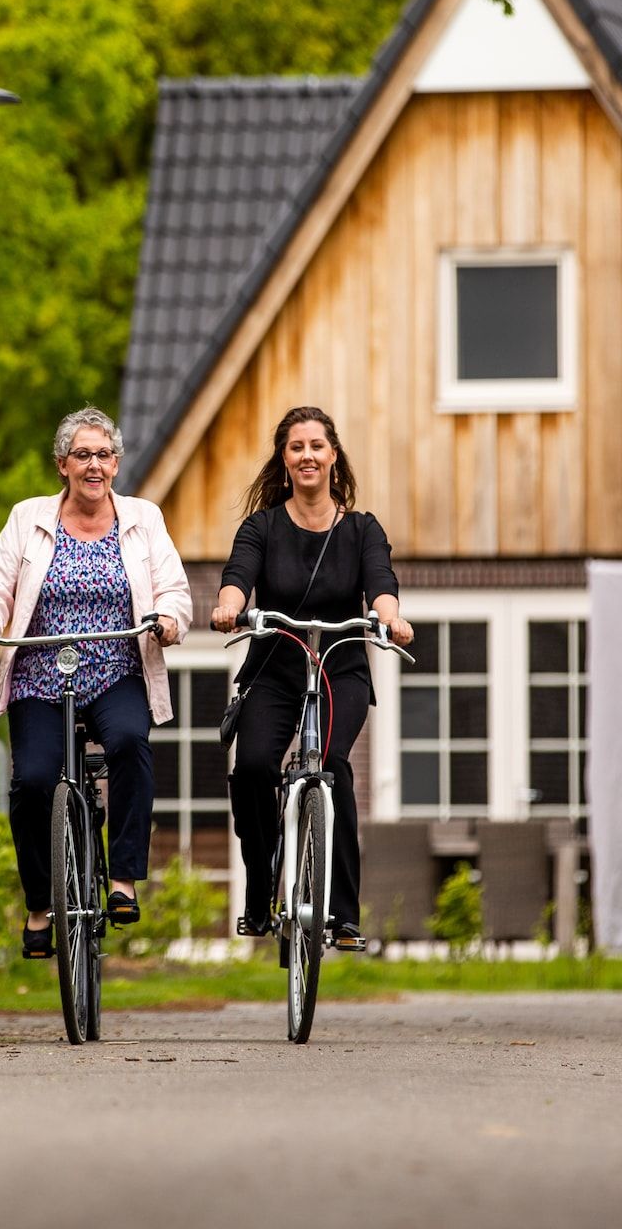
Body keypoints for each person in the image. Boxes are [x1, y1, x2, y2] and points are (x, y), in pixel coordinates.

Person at [0, 406, 192, 959]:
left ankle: (123, 880)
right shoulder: (28, 518)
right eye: (83, 455)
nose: (95, 465)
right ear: (62, 464)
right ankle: (40, 905)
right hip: (41, 674)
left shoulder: (143, 518)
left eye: (104, 455)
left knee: (130, 743)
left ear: (116, 463)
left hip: (116, 670)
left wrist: (168, 620)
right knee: (33, 782)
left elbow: (173, 588)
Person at [209, 405, 411, 951]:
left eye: (317, 446)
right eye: (296, 447)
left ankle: (343, 913)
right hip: (274, 668)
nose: (307, 456)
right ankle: (259, 887)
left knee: (333, 766)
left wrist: (391, 618)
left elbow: (381, 583)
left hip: (340, 667)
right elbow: (237, 576)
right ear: (284, 458)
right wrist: (229, 606)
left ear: (333, 456)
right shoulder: (262, 527)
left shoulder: (362, 529)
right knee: (254, 767)